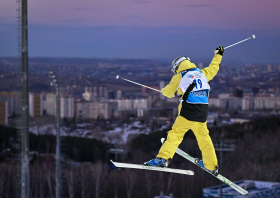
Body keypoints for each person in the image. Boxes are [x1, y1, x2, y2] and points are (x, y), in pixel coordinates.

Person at [143, 45, 224, 175]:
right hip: (202, 112)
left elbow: (168, 93)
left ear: (177, 67)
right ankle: (211, 165)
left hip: (188, 112)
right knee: (204, 138)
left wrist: (164, 91)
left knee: (175, 134)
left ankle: (162, 159)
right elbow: (214, 68)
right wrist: (218, 55)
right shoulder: (201, 73)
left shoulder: (180, 75)